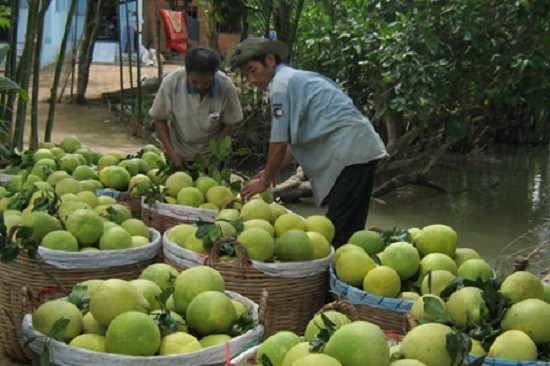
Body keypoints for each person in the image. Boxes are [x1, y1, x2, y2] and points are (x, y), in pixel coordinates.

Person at [229, 38, 389, 247]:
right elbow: (298, 141)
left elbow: (278, 141)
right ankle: (342, 270)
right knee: (348, 224)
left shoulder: (281, 85)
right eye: (247, 74)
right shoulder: (293, 80)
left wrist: (265, 180)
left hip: (351, 151)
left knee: (339, 230)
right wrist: (273, 171)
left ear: (270, 60)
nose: (251, 79)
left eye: (253, 70)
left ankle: (333, 276)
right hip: (356, 149)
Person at [149, 46, 243, 170]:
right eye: (194, 82)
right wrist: (172, 153)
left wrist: (214, 157)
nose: (200, 87)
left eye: (205, 83)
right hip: (179, 154)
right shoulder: (172, 82)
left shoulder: (225, 86)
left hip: (211, 157)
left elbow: (228, 124)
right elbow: (159, 119)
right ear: (187, 72)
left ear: (213, 75)